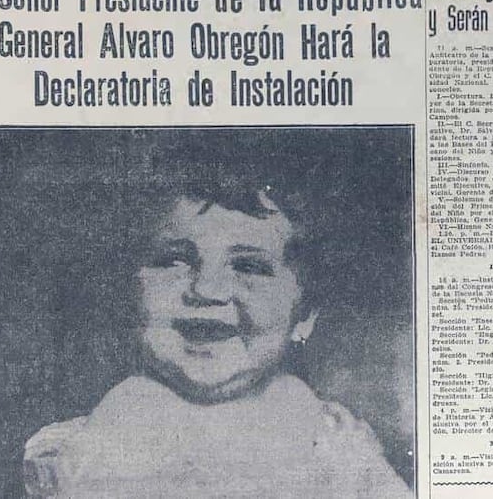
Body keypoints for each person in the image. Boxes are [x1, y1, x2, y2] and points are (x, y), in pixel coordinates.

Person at [22, 180, 412, 498]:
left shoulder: (335, 445)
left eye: (249, 265)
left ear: (304, 316)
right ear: (129, 292)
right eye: (175, 260)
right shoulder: (85, 446)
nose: (207, 290)